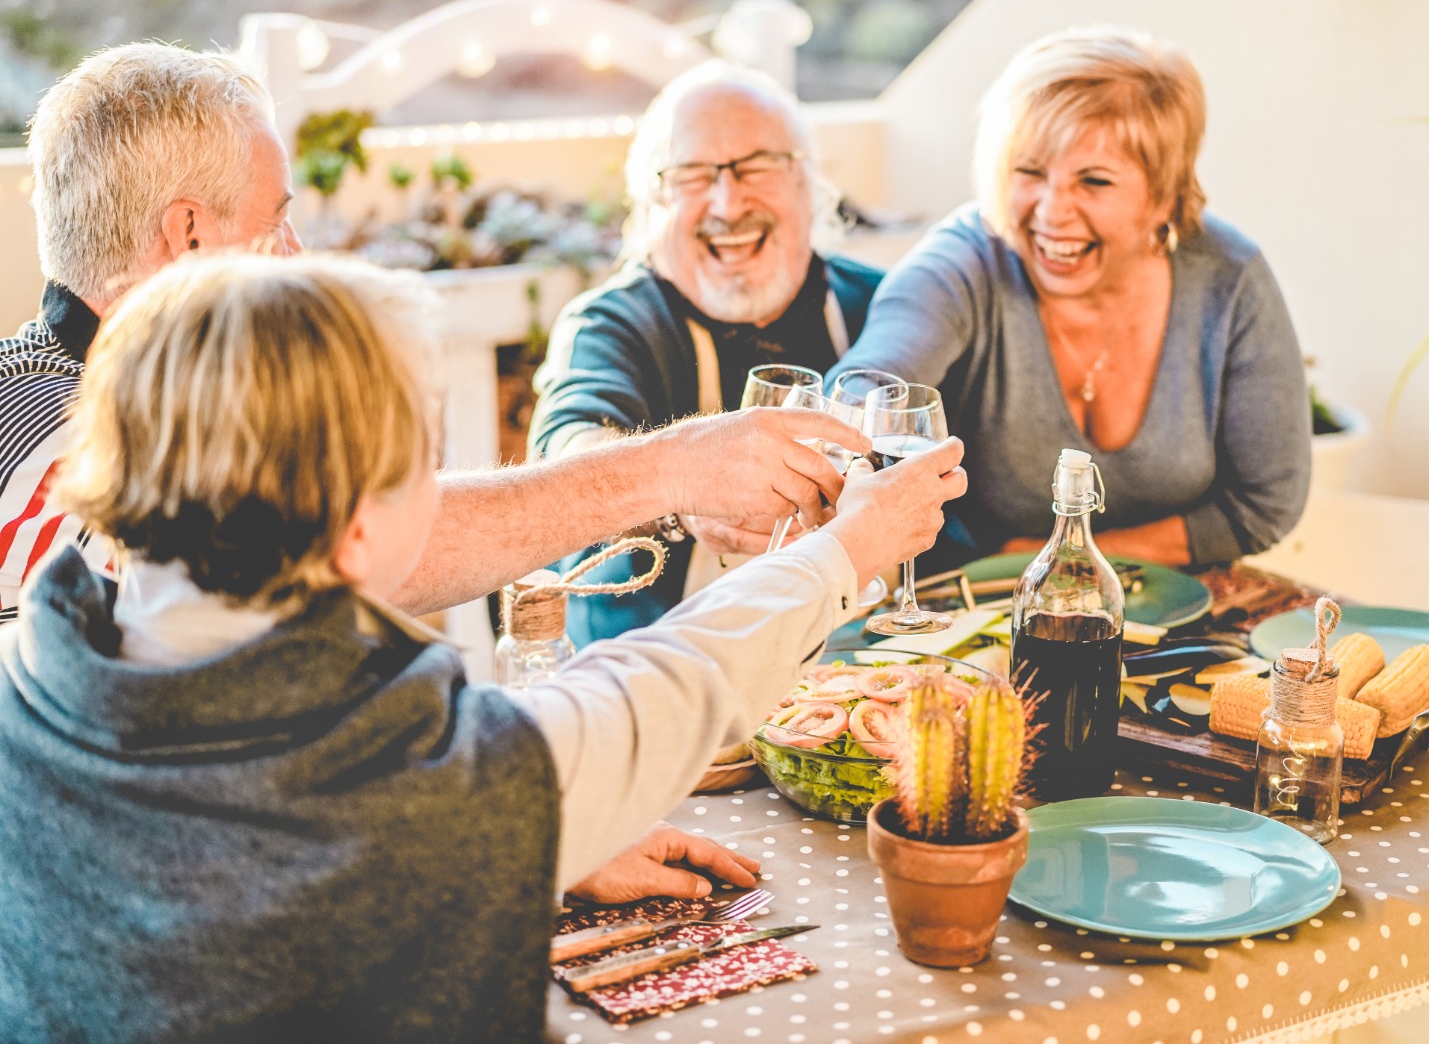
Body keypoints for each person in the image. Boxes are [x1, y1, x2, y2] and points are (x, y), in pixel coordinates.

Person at [0, 253, 965, 1041]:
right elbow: (667, 687)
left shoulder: (25, 684)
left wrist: (531, 847)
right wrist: (852, 549)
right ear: (359, 531)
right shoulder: (433, 788)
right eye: (421, 463)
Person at [3, 42, 863, 630]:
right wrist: (683, 466)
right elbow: (365, 552)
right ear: (188, 235)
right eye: (277, 221)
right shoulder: (73, 467)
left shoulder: (105, 405)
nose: (298, 254)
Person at [826, 27, 1311, 567]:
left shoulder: (1229, 276)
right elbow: (872, 382)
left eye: (1094, 181)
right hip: (978, 604)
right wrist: (842, 430)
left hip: (1187, 604)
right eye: (1029, 171)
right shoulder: (961, 261)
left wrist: (1050, 558)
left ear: (1165, 195)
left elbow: (1262, 506)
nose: (1052, 212)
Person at [530, 59, 885, 645]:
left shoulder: (876, 302)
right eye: (692, 175)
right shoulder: (609, 323)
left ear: (808, 183)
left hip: (861, 673)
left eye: (757, 167)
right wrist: (681, 488)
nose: (727, 203)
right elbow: (567, 449)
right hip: (660, 678)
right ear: (651, 204)